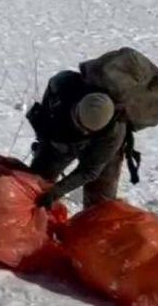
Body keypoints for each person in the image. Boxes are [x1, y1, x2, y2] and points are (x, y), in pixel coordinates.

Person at [27, 70, 128, 208]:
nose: (82, 131)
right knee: (35, 185)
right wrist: (45, 142)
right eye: (79, 123)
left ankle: (92, 226)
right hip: (63, 135)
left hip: (101, 148)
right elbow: (46, 123)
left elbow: (90, 170)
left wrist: (57, 191)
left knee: (100, 206)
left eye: (87, 130)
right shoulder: (63, 87)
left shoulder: (114, 133)